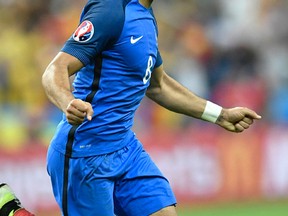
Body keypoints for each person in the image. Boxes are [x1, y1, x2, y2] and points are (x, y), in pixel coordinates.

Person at [42, 0, 261, 215]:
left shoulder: (146, 16)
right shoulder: (110, 10)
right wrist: (67, 102)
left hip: (125, 148)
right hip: (85, 152)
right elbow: (55, 69)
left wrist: (220, 115)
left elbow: (159, 85)